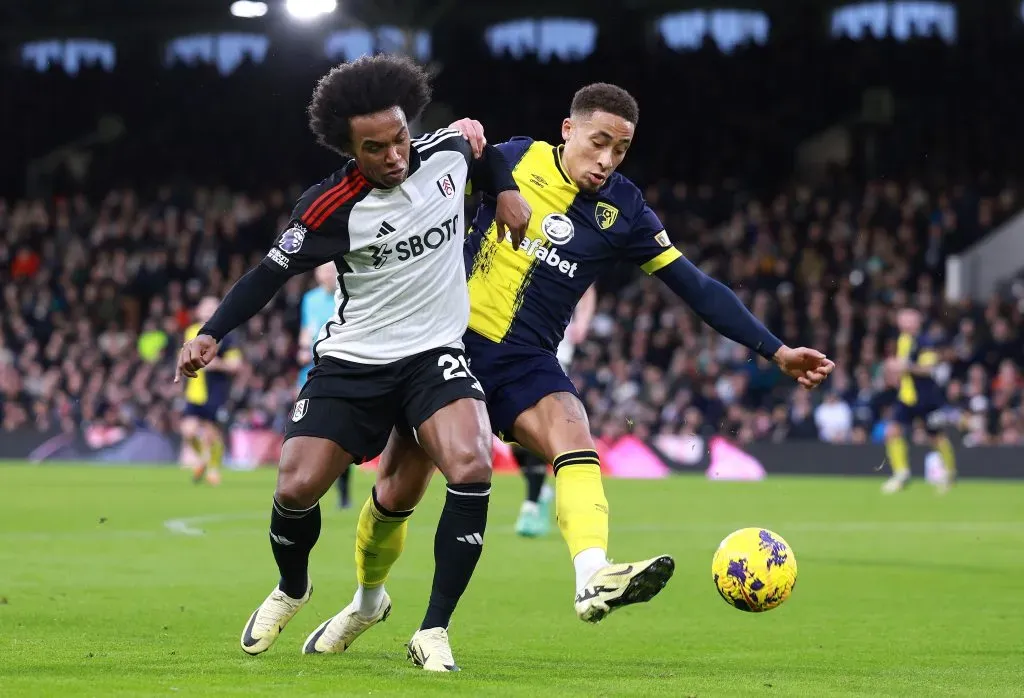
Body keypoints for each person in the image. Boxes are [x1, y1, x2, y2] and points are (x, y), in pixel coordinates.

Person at [337, 82, 834, 638]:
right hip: (447, 344)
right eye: (599, 142)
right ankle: (366, 600)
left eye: (620, 150)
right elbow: (418, 183)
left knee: (574, 431)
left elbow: (696, 287)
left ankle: (592, 573)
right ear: (568, 129)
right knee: (398, 492)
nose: (607, 159)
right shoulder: (513, 158)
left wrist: (778, 349)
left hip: (525, 362)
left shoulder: (625, 210)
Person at [175, 54, 530, 670]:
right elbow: (268, 273)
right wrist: (213, 333)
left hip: (433, 354)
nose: (395, 156)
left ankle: (434, 628)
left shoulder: (443, 154)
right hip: (354, 360)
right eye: (376, 148)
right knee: (296, 484)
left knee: (472, 465)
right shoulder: (328, 207)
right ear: (349, 150)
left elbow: (481, 147)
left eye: (399, 139)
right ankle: (293, 587)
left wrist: (504, 188)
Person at [514, 284, 597, 538]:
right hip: (515, 346)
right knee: (513, 429)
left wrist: (582, 321)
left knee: (539, 417)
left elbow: (588, 287)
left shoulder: (563, 248)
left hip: (553, 352)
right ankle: (539, 489)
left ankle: (531, 504)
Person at [881, 308, 956, 493]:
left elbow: (928, 369)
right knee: (892, 431)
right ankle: (901, 473)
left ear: (916, 322)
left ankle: (950, 472)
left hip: (926, 398)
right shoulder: (903, 340)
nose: (902, 322)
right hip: (907, 397)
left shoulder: (925, 342)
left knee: (935, 437)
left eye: (907, 318)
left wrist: (904, 366)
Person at [297, 262, 352, 509]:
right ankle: (306, 488)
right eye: (323, 270)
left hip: (342, 369)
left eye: (331, 270)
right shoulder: (310, 299)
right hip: (312, 370)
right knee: (308, 431)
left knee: (342, 434)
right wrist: (301, 347)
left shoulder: (348, 292)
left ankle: (342, 491)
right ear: (317, 274)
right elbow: (306, 330)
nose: (327, 275)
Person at [179, 295, 242, 486]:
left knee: (211, 434)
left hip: (215, 390)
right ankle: (202, 459)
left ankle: (213, 469)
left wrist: (217, 364)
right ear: (198, 311)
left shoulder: (226, 335)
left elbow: (236, 364)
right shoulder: (190, 331)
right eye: (205, 307)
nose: (208, 311)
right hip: (194, 390)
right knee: (188, 431)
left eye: (212, 308)